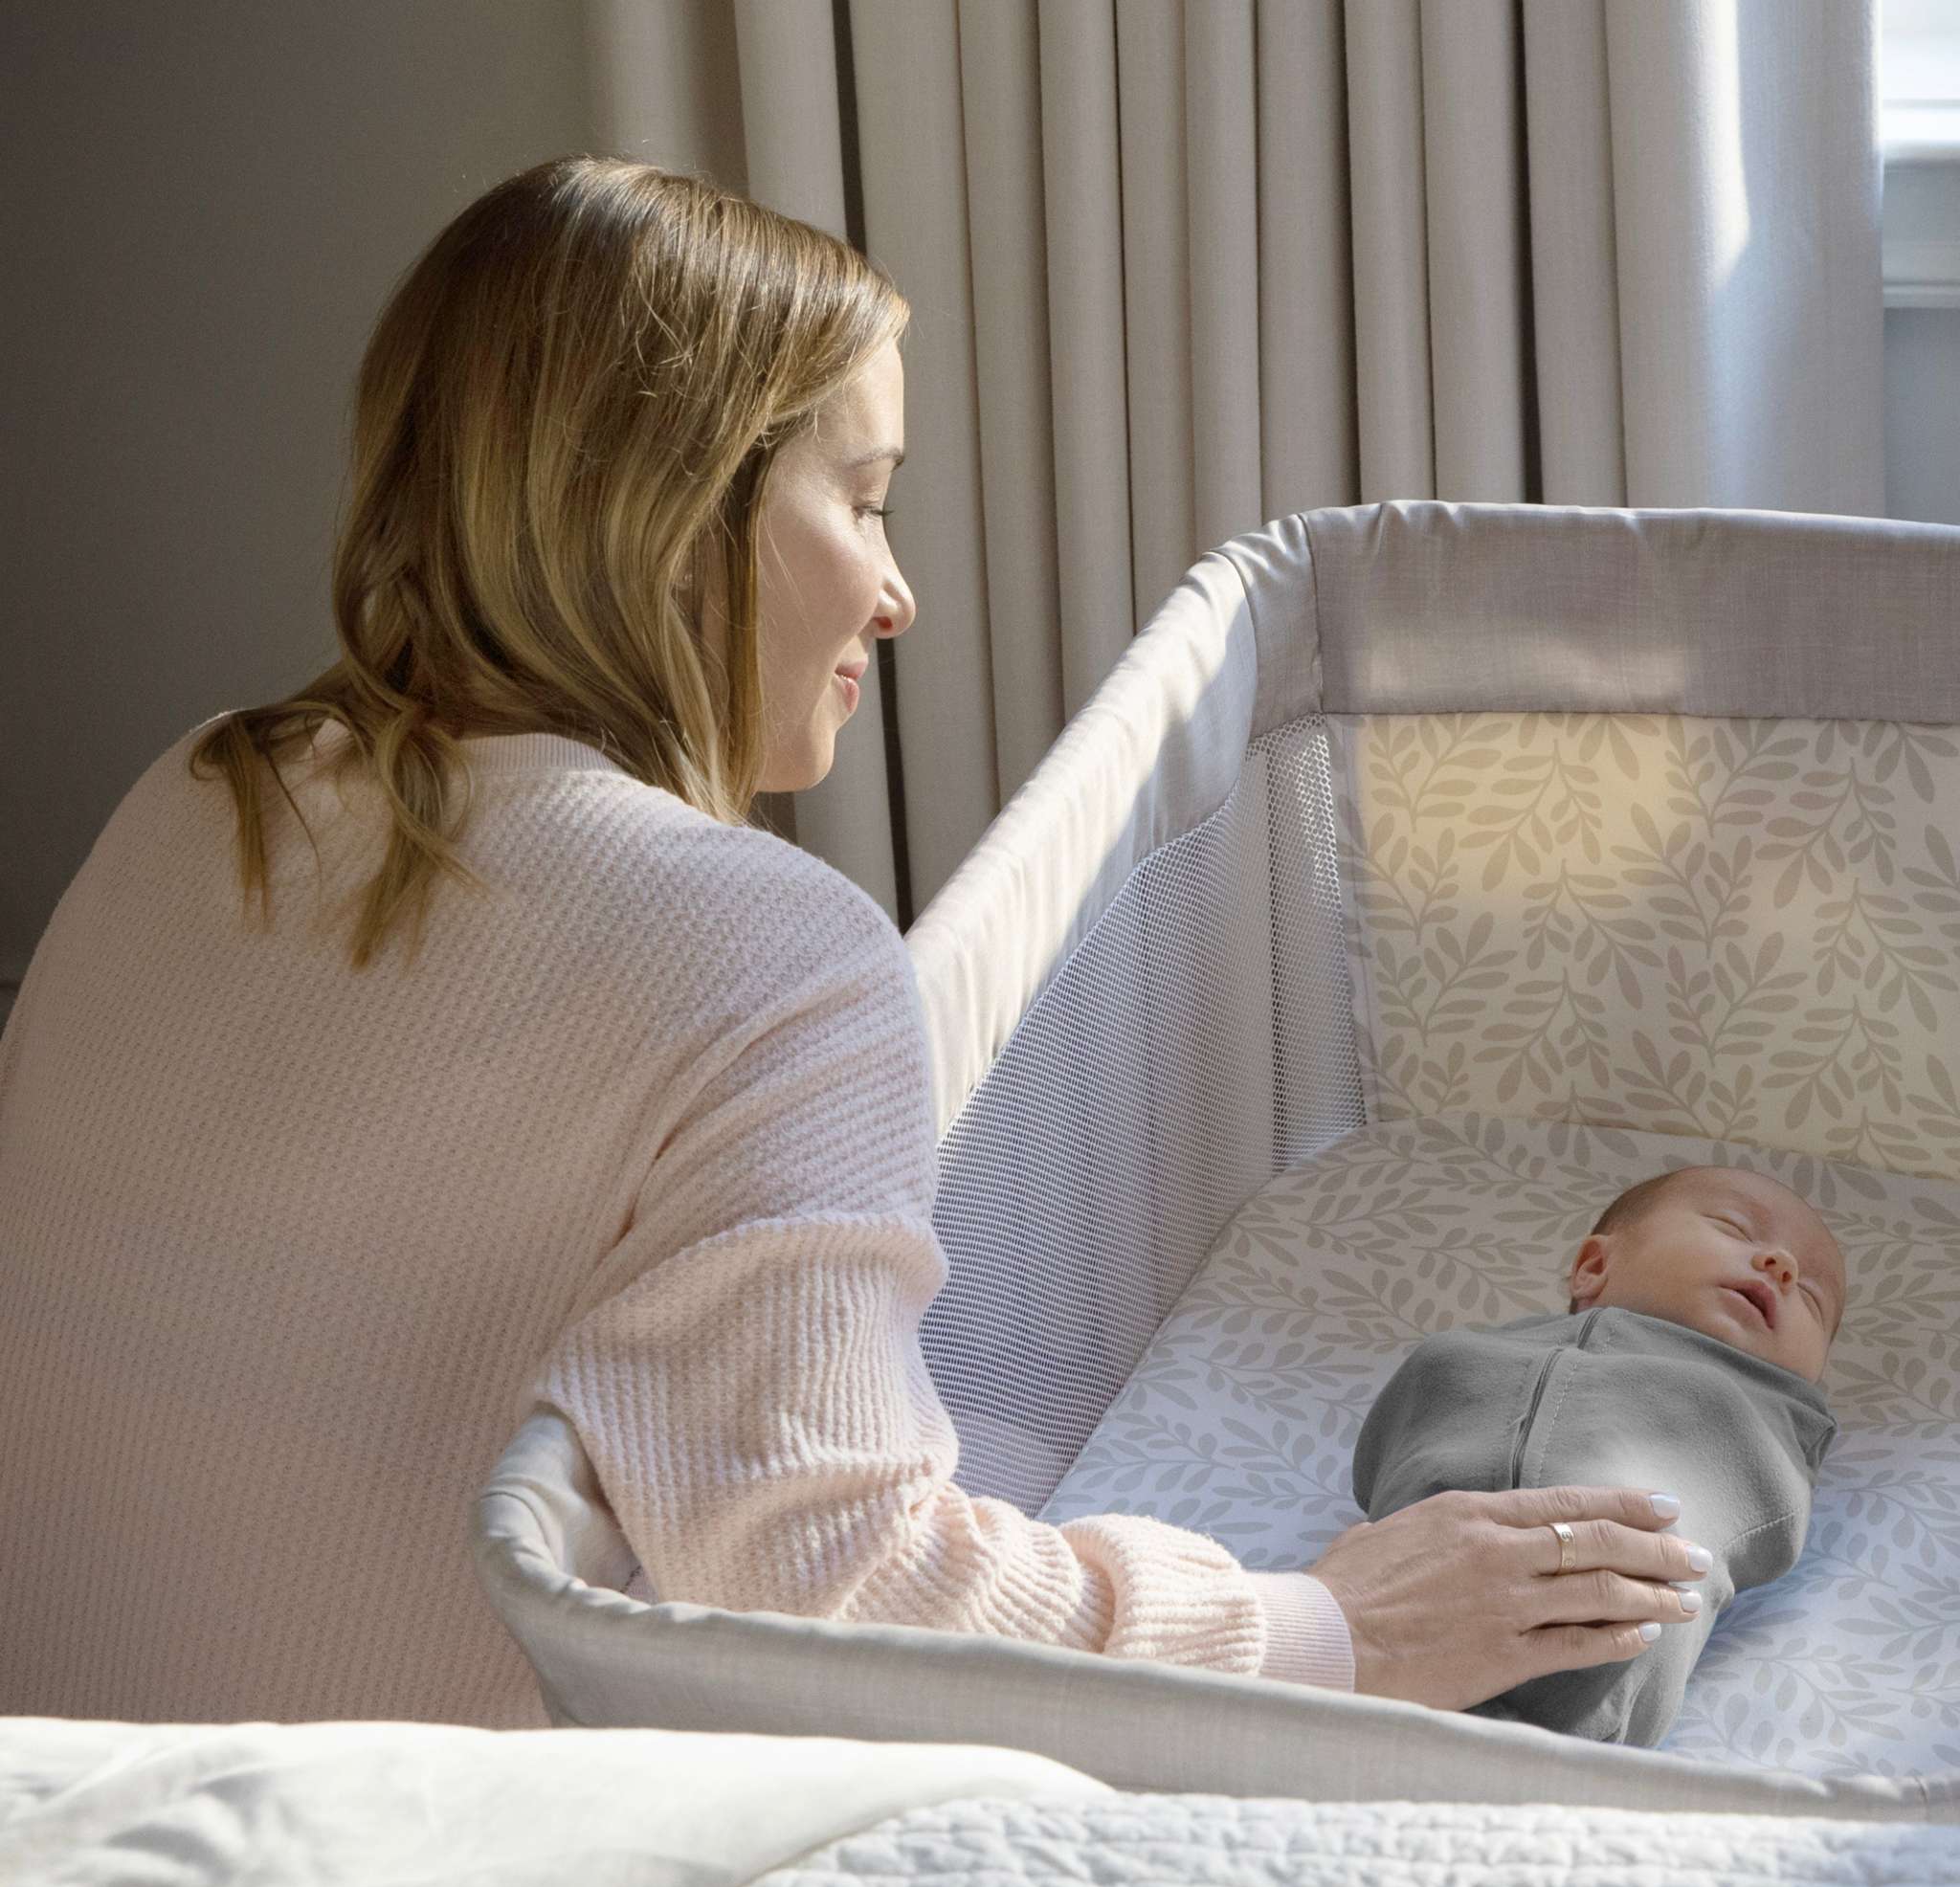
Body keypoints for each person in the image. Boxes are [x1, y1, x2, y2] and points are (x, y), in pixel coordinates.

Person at [0, 153, 1703, 1730]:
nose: (893, 595)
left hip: (63, 1770)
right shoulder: (755, 941)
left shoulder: (207, 787)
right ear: (673, 516)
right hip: (394, 1826)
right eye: (864, 499)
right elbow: (830, 1574)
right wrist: (1323, 1623)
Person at [1351, 1165, 1844, 1744]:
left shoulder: (1765, 1418)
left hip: (1597, 1649)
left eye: (1812, 1296)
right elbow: (1381, 1460)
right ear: (1593, 1267)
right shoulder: (1475, 1350)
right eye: (1734, 1228)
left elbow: (1766, 1525)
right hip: (1399, 1598)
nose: (1782, 1266)